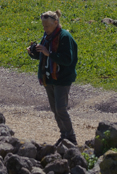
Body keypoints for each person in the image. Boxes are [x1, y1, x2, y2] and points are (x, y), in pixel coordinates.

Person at [27, 9, 78, 146]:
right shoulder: (47, 36)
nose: (45, 29)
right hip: (48, 78)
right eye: (43, 26)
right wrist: (33, 52)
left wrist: (48, 53)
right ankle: (64, 136)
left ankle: (71, 138)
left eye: (47, 26)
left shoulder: (65, 37)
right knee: (55, 110)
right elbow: (43, 55)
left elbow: (67, 59)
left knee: (61, 108)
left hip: (62, 78)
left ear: (56, 22)